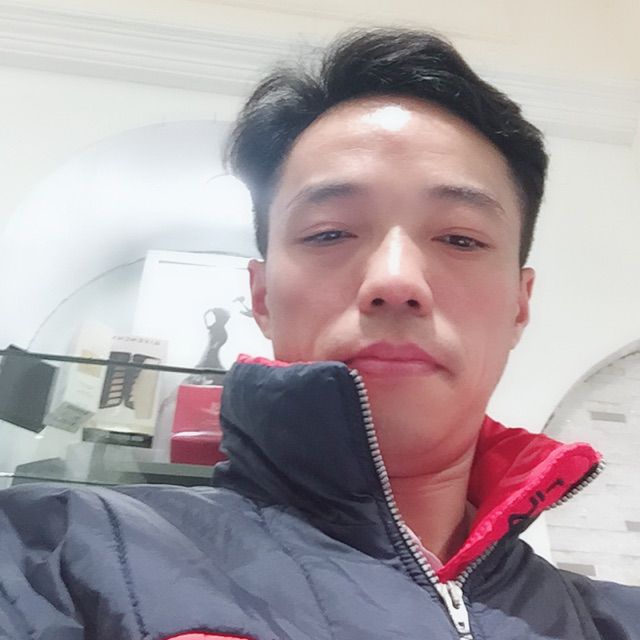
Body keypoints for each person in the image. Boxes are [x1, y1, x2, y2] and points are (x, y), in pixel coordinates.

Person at [0, 27, 638, 640]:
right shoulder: (52, 560)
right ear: (261, 298)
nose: (395, 280)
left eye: (460, 238)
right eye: (329, 233)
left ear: (520, 307)